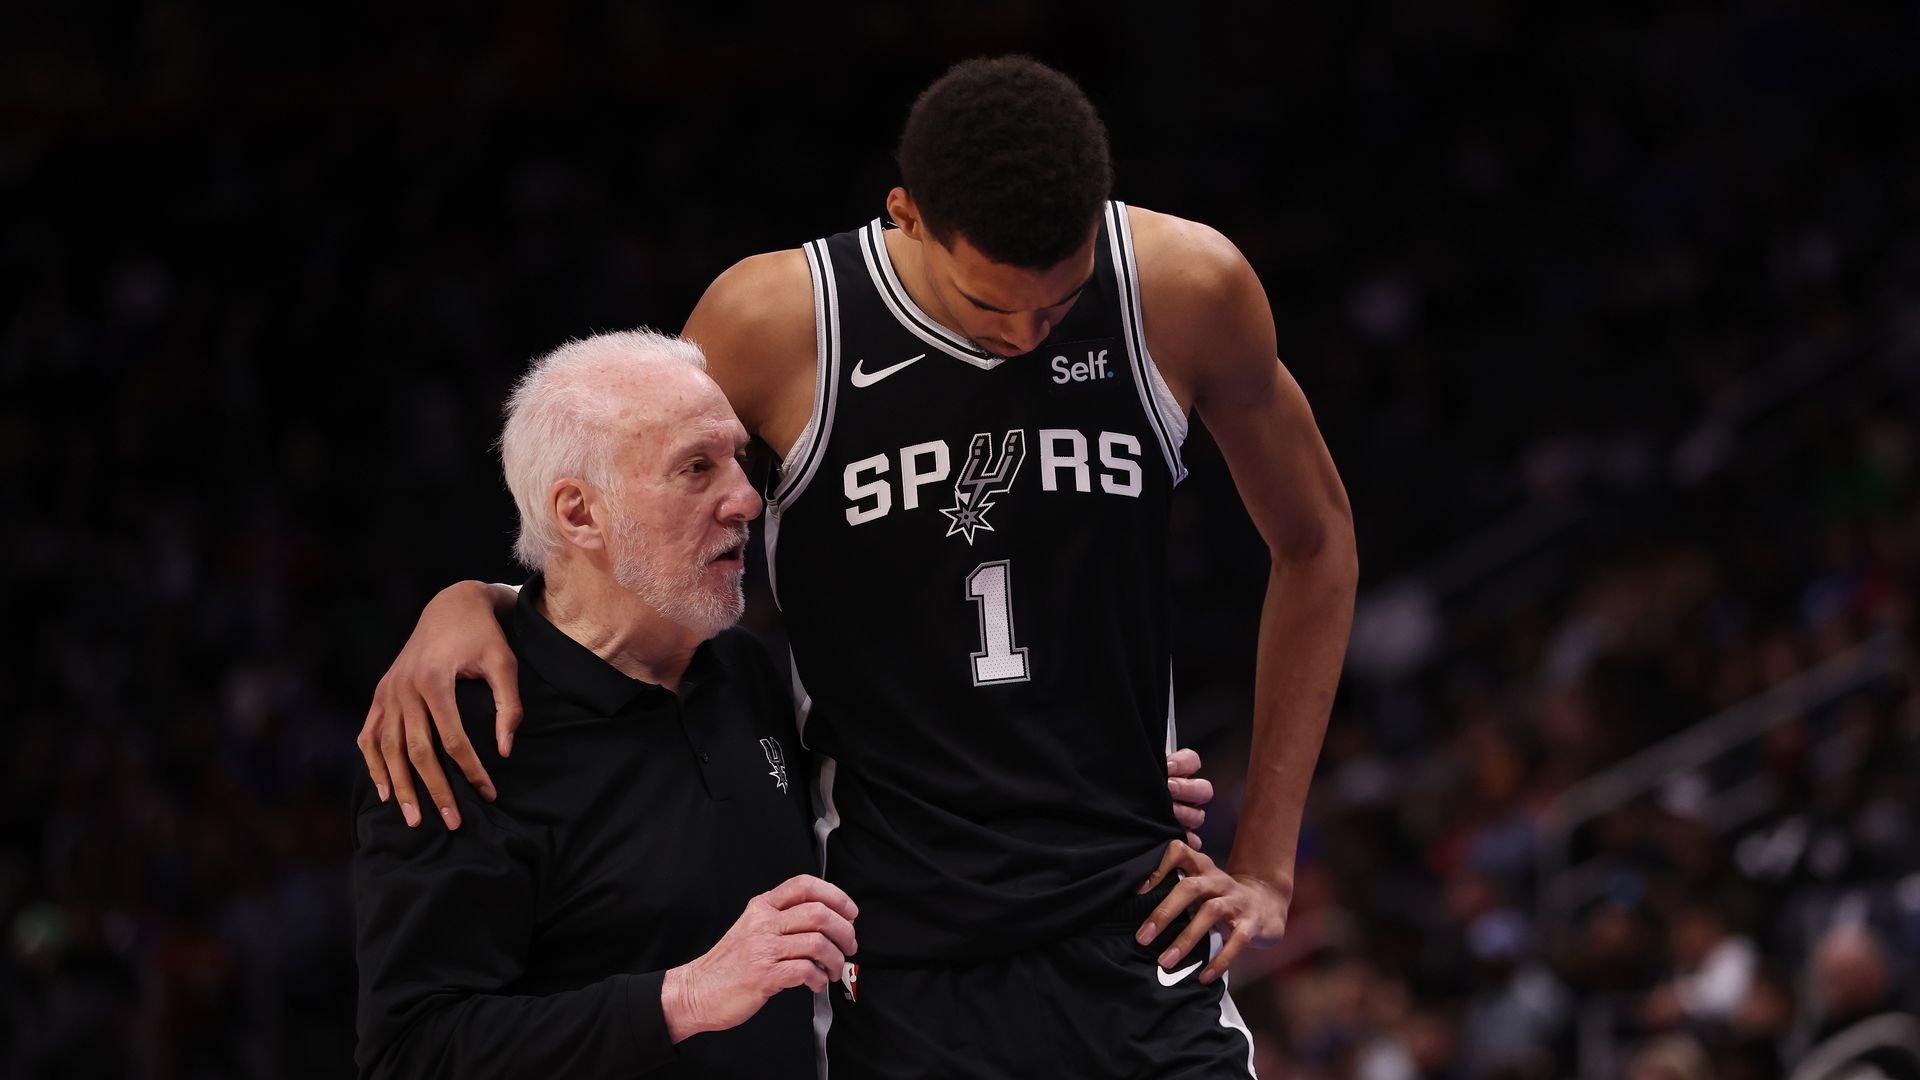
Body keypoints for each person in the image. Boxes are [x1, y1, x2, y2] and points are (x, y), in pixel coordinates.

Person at [360, 56, 1356, 1076]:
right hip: (894, 951)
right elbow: (634, 524)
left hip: (1135, 923)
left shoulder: (1185, 289)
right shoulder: (776, 323)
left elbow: (1316, 541)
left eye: (1056, 309)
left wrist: (1267, 866)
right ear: (907, 215)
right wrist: (477, 598)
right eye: (988, 306)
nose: (1021, 339)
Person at [352, 331, 859, 1079]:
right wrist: (684, 996)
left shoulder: (744, 669)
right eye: (696, 469)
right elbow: (412, 1053)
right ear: (580, 515)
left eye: (738, 461)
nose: (748, 499)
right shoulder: (456, 731)